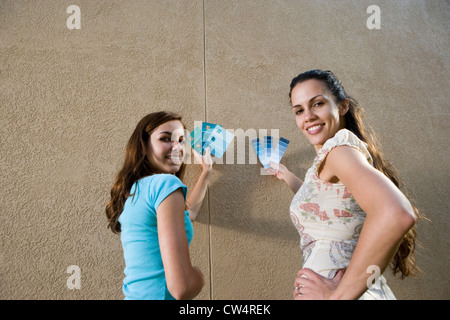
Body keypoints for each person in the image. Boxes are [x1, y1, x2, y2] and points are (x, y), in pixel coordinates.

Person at [267, 69, 420, 300]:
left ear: (342, 106)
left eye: (317, 104)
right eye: (299, 110)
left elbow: (397, 213)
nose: (308, 116)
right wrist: (288, 176)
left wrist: (338, 297)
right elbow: (326, 206)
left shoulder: (338, 151)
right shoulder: (330, 160)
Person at [105, 111, 212, 300]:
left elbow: (190, 212)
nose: (177, 147)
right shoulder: (165, 184)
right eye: (165, 139)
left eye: (181, 140)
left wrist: (206, 172)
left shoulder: (134, 190)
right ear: (143, 146)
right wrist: (199, 276)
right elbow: (182, 288)